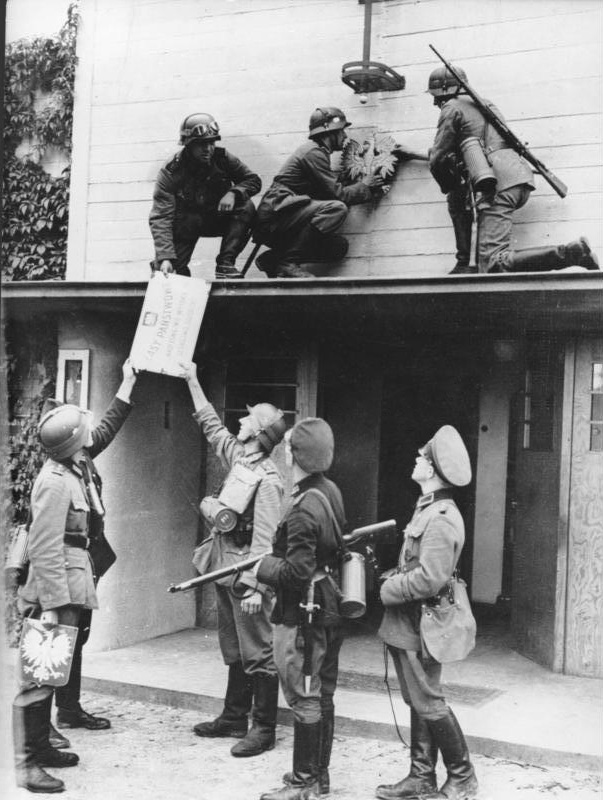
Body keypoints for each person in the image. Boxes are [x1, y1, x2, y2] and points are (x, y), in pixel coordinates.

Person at [12, 360, 137, 794]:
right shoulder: (53, 482)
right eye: (83, 434)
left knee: (53, 671)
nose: (89, 437)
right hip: (54, 590)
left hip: (71, 583)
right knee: (39, 675)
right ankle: (26, 764)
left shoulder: (72, 466)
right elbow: (43, 548)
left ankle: (42, 747)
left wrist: (127, 384)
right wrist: (49, 605)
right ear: (73, 444)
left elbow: (99, 433)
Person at [182, 363, 286, 758]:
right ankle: (232, 717)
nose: (239, 421)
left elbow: (267, 540)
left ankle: (263, 729)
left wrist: (258, 586)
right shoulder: (240, 458)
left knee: (258, 650)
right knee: (234, 646)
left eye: (248, 418)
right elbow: (211, 427)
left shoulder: (270, 479)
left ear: (259, 434)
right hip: (224, 569)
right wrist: (193, 380)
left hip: (246, 576)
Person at [375, 425, 478, 800]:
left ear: (432, 468)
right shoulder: (428, 507)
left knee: (429, 699)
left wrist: (388, 588)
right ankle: (421, 776)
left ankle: (463, 777)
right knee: (419, 697)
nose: (416, 460)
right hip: (412, 621)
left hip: (424, 621)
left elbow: (430, 580)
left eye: (422, 457)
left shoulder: (441, 516)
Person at [428, 65, 600, 275]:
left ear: (445, 91)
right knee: (488, 258)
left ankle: (572, 253)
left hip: (495, 184)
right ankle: (464, 263)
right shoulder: (485, 104)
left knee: (492, 262)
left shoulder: (452, 108)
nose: (435, 102)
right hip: (518, 179)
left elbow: (437, 159)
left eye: (436, 97)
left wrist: (449, 185)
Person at [252, 418, 346, 800]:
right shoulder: (330, 490)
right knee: (322, 692)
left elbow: (295, 572)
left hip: (303, 610)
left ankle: (305, 783)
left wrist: (261, 565)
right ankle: (318, 778)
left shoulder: (305, 505)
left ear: (293, 454)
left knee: (304, 692)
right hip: (327, 603)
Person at [253, 107, 384, 278]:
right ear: (329, 132)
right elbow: (339, 196)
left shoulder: (318, 152)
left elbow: (328, 192)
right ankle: (288, 263)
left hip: (286, 217)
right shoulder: (313, 152)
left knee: (337, 247)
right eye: (341, 131)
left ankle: (273, 259)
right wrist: (365, 185)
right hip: (275, 217)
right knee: (336, 208)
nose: (345, 137)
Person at [149, 113, 261, 279]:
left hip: (216, 218)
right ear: (188, 145)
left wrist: (233, 193)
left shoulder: (223, 159)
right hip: (186, 225)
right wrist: (165, 257)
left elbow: (252, 180)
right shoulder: (171, 172)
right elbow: (161, 217)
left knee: (246, 206)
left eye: (211, 142)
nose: (208, 148)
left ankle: (225, 264)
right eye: (201, 144)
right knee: (168, 273)